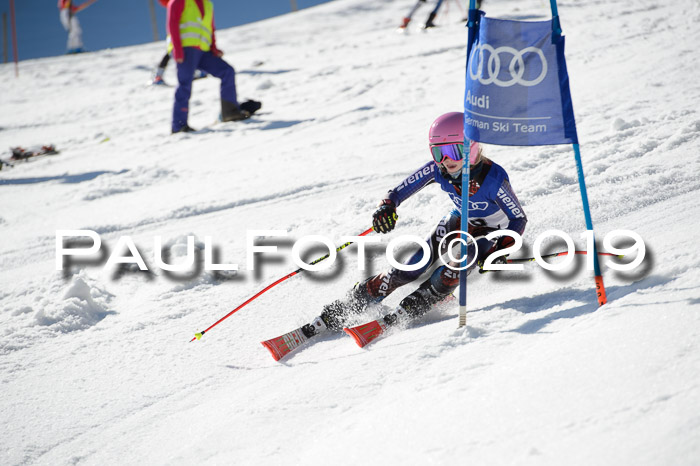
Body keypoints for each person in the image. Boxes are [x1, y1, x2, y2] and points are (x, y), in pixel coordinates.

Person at [264, 112, 527, 358]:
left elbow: (518, 218)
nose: (446, 160)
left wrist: (502, 249)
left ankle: (429, 296)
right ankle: (349, 305)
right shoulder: (438, 170)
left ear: (471, 147)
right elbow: (399, 191)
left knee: (460, 260)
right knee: (412, 265)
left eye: (452, 151)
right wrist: (386, 207)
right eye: (438, 153)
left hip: (493, 231)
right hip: (460, 219)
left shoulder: (494, 178)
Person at [167, 0, 259, 133]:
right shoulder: (179, 1)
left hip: (204, 51)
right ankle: (179, 125)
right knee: (185, 84)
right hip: (186, 49)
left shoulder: (207, 4)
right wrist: (177, 49)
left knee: (227, 71)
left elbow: (210, 28)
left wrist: (214, 48)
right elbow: (172, 24)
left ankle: (230, 112)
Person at [152, 0, 207, 86]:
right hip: (176, 36)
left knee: (189, 53)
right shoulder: (175, 3)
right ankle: (158, 76)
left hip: (186, 35)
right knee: (173, 53)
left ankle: (197, 71)